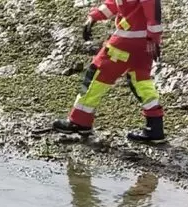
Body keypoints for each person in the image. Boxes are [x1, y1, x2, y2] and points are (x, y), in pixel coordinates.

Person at [52, 0, 165, 144]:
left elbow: (152, 9)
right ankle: (155, 127)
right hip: (143, 44)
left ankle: (80, 121)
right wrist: (95, 16)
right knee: (141, 82)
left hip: (126, 41)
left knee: (96, 74)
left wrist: (153, 37)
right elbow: (116, 4)